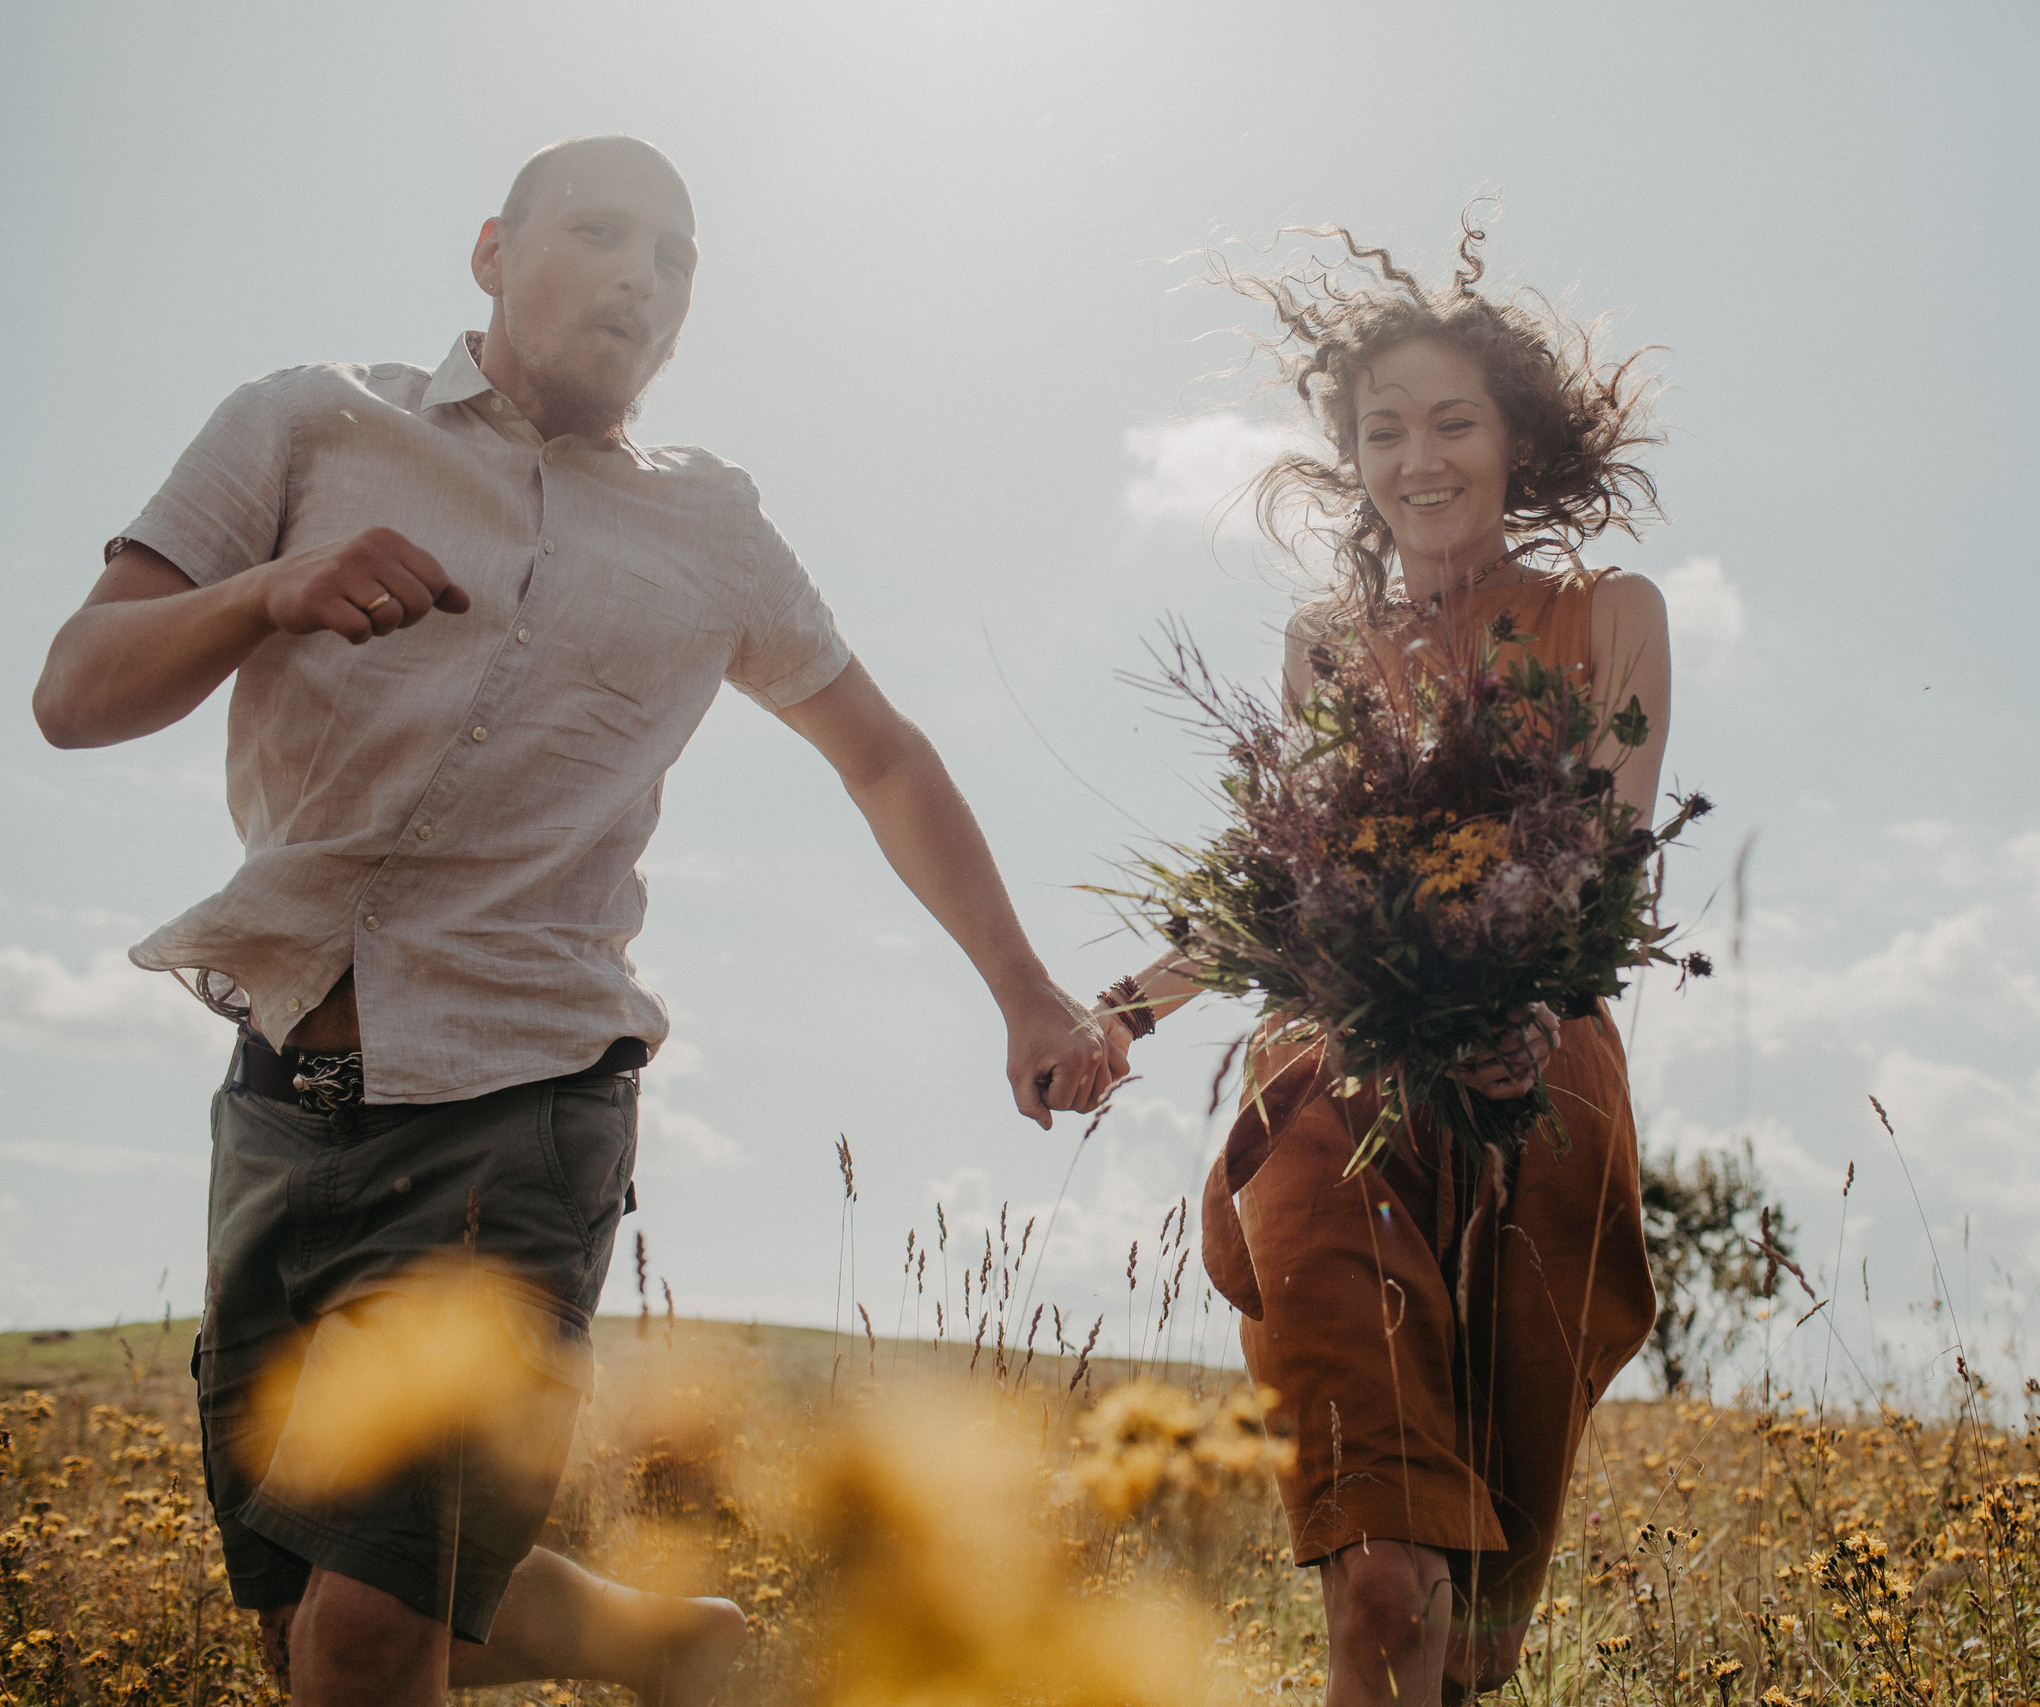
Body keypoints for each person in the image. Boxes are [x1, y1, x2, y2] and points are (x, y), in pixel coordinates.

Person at [30, 134, 1121, 1707]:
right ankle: (666, 1651)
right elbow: (74, 692)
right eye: (601, 234)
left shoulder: (713, 529)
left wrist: (1025, 992)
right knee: (300, 1629)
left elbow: (882, 755)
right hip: (284, 1108)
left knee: (364, 1638)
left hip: (523, 1108)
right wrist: (268, 593)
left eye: (674, 259)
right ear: (490, 251)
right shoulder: (301, 422)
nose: (641, 276)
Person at [1092, 225, 1670, 1706]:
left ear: (1516, 438)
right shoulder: (1326, 652)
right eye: (1383, 429)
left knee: (1469, 1637)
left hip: (1535, 1102)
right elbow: (1287, 891)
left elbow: (1604, 857)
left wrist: (1522, 1016)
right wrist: (1122, 1010)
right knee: (1382, 1586)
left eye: (1452, 422)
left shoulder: (1608, 616)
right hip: (1338, 1098)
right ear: (1350, 456)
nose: (1419, 457)